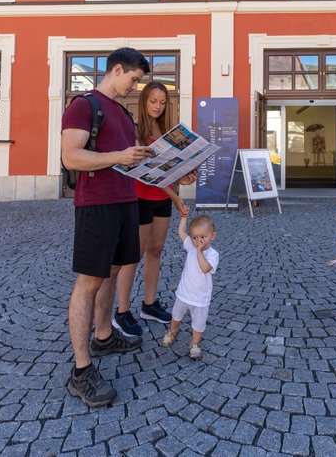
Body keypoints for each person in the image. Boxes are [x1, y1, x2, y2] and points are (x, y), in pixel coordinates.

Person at [61, 47, 155, 407]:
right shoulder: (84, 105)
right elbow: (71, 156)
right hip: (96, 205)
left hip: (124, 202)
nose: (135, 87)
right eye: (133, 79)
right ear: (118, 70)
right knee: (88, 282)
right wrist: (119, 156)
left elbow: (126, 160)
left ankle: (103, 336)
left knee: (113, 272)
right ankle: (81, 371)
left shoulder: (121, 112)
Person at [113, 82, 192, 337]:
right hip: (140, 197)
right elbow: (147, 174)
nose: (158, 106)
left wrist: (183, 178)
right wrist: (177, 198)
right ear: (144, 101)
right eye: (153, 101)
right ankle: (122, 311)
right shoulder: (135, 130)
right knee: (132, 255)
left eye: (162, 102)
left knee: (155, 251)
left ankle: (149, 305)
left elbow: (167, 172)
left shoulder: (167, 132)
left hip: (161, 198)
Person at [162, 213, 219, 360]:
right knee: (176, 315)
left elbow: (205, 268)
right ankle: (173, 331)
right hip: (184, 294)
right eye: (194, 237)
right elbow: (181, 232)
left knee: (198, 324)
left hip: (200, 299)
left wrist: (199, 251)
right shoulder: (191, 246)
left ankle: (194, 344)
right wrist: (183, 217)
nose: (198, 241)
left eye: (203, 237)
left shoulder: (213, 254)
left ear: (212, 236)